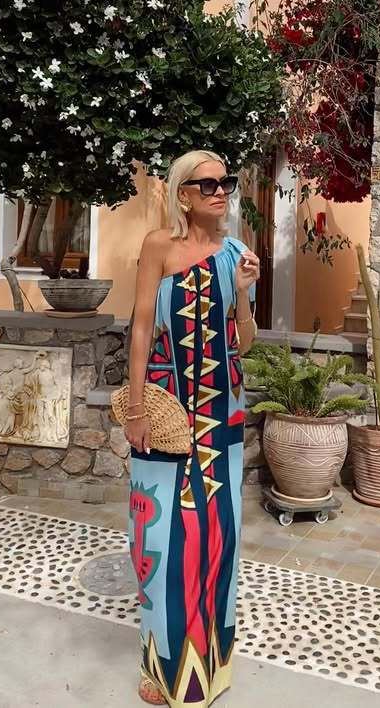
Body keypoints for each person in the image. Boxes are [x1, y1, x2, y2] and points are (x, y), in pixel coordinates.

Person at [125, 150, 259, 707]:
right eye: (208, 184)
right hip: (165, 407)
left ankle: (207, 669)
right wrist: (135, 408)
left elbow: (243, 342)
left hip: (223, 413)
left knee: (218, 537)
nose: (221, 191)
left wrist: (244, 292)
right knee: (158, 535)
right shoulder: (158, 245)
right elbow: (140, 328)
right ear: (183, 194)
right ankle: (161, 666)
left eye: (226, 182)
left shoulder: (235, 254)